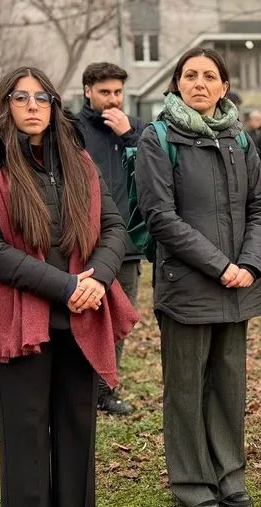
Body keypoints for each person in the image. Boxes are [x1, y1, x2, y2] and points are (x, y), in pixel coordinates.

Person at [0, 66, 138, 507]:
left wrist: (98, 276)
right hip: (21, 318)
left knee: (77, 426)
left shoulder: (79, 162)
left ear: (55, 105)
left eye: (42, 97)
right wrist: (67, 286)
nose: (33, 106)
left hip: (82, 316)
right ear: (5, 105)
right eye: (21, 97)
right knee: (26, 432)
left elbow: (116, 225)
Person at [135, 47, 261, 507]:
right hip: (187, 285)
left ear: (224, 87)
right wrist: (220, 266)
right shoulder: (158, 137)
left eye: (209, 76)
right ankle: (192, 481)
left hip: (238, 285)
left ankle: (229, 473)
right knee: (187, 386)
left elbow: (260, 208)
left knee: (229, 383)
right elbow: (161, 217)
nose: (199, 83)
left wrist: (250, 265)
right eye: (189, 75)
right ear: (176, 84)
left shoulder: (240, 139)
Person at [77, 62, 146, 416]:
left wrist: (130, 135)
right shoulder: (72, 129)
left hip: (128, 245)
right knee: (82, 317)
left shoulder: (137, 129)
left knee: (118, 321)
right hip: (84, 244)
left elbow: (156, 166)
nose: (113, 99)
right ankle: (78, 391)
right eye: (105, 92)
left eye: (118, 92)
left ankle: (106, 391)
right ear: (88, 90)